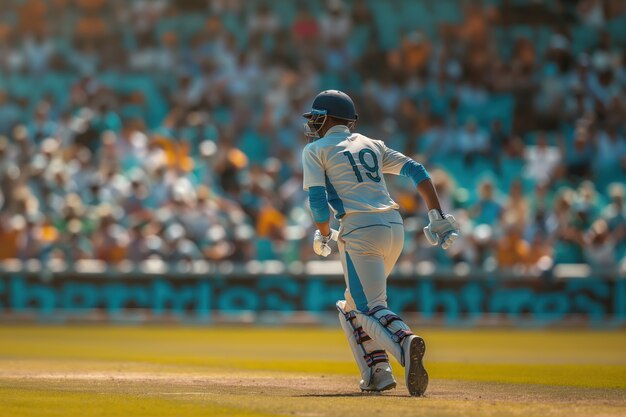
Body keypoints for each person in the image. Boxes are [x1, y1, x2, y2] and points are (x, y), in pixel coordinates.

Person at [301, 90, 459, 396]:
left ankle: (403, 340)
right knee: (351, 306)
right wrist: (436, 215)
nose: (313, 125)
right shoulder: (372, 144)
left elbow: (318, 203)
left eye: (316, 119)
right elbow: (418, 171)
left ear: (326, 118)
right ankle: (378, 373)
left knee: (368, 308)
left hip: (359, 229)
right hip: (394, 228)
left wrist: (322, 232)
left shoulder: (315, 150)